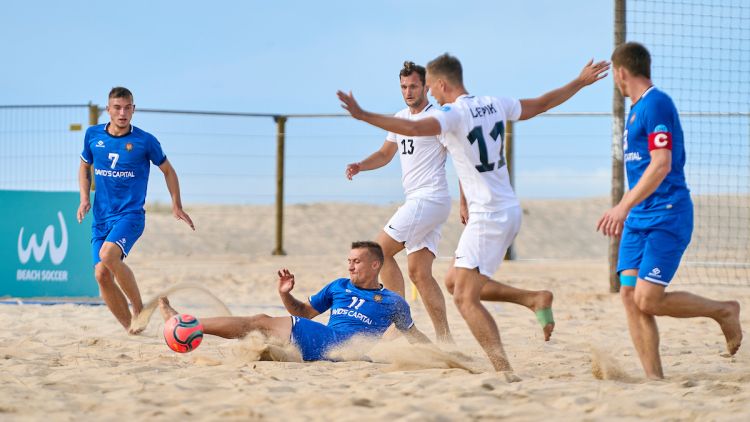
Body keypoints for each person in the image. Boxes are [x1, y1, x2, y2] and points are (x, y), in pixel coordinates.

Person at [338, 53, 609, 373]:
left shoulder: (450, 115)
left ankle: (498, 369)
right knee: (439, 278)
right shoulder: (494, 103)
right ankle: (486, 322)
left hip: (469, 208)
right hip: (495, 208)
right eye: (405, 87)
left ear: (436, 84)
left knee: (413, 269)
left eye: (424, 88)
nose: (418, 93)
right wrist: (579, 81)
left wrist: (363, 114)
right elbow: (540, 104)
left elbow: (414, 127)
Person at [597, 42, 742, 379]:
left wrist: (622, 205)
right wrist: (628, 210)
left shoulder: (656, 104)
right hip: (638, 219)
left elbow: (661, 165)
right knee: (630, 296)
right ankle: (655, 381)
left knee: (648, 300)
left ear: (620, 73)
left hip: (667, 214)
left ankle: (724, 311)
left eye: (614, 76)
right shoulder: (634, 111)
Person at [158, 241, 430, 361]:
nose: (350, 267)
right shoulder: (339, 286)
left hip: (342, 347)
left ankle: (188, 325)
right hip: (325, 339)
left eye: (356, 262)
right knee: (262, 338)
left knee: (261, 322)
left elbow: (414, 335)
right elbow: (304, 312)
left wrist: (444, 356)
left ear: (375, 265)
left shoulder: (393, 301)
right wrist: (285, 294)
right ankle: (190, 325)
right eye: (348, 261)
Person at [345, 61, 453, 343]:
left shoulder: (437, 118)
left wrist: (466, 201)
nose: (408, 91)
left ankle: (399, 321)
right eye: (404, 87)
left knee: (378, 253)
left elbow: (462, 157)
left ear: (426, 86)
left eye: (414, 86)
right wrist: (361, 165)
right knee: (420, 273)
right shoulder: (400, 117)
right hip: (423, 203)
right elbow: (384, 154)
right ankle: (445, 340)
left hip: (429, 198)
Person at [77, 87, 195, 334]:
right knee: (101, 274)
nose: (122, 113)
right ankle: (132, 328)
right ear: (108, 110)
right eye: (117, 108)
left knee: (109, 256)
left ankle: (138, 309)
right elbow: (84, 166)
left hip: (130, 216)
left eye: (127, 107)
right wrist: (84, 198)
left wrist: (177, 205)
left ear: (133, 109)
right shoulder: (92, 135)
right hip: (101, 218)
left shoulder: (145, 141)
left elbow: (168, 171)